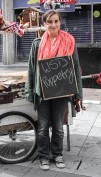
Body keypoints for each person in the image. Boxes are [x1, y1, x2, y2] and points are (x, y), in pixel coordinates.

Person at [25, 10, 83, 171]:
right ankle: (43, 156)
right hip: (42, 92)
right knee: (43, 127)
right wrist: (29, 92)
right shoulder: (37, 44)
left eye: (56, 21)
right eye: (49, 22)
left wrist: (79, 94)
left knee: (58, 126)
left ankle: (57, 154)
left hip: (62, 91)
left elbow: (76, 68)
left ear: (60, 22)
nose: (53, 25)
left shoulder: (69, 41)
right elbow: (30, 69)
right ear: (44, 24)